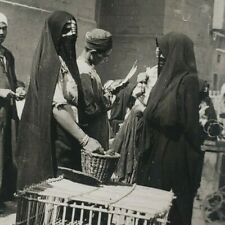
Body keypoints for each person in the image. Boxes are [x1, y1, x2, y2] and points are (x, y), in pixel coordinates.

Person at [16, 11, 102, 191]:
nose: (70, 41)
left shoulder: (67, 64)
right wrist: (85, 140)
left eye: (74, 37)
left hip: (69, 135)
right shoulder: (49, 65)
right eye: (66, 36)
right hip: (55, 137)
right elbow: (57, 108)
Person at [137, 32, 202, 225]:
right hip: (157, 153)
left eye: (165, 50)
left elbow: (187, 123)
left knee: (171, 210)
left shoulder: (188, 80)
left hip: (175, 155)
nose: (160, 54)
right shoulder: (166, 78)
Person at [0, 12, 25, 212]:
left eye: (4, 28)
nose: (1, 32)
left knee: (5, 153)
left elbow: (13, 78)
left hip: (6, 114)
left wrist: (18, 88)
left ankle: (3, 195)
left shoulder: (7, 55)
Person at [77, 28, 113, 150]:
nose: (105, 60)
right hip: (92, 134)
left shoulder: (88, 69)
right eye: (104, 56)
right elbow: (89, 110)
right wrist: (107, 102)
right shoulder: (83, 73)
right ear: (93, 52)